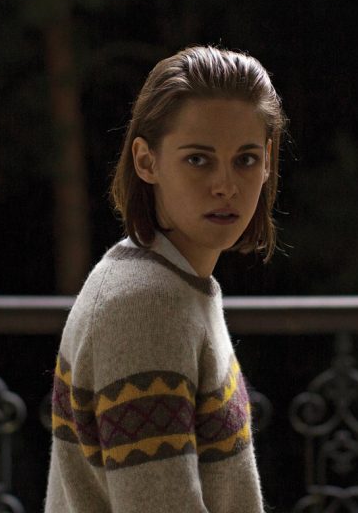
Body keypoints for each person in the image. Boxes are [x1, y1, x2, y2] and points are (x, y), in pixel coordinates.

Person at [45, 45, 284, 512]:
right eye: (198, 159)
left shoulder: (171, 282)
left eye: (245, 159)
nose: (226, 185)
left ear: (268, 161)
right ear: (146, 161)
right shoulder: (146, 304)